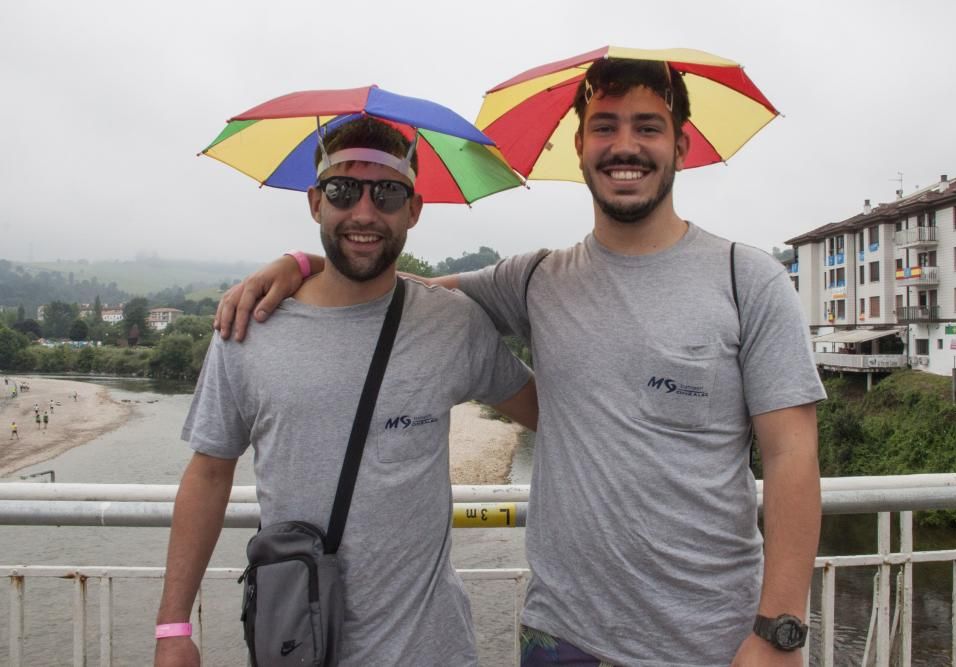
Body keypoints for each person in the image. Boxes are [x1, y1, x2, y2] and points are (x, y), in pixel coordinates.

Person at [216, 59, 825, 666]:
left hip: (713, 639)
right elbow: (387, 290)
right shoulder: (537, 279)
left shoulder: (748, 280)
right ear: (579, 147)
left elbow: (791, 456)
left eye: (648, 127)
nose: (625, 146)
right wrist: (305, 265)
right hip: (562, 635)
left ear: (681, 145)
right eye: (605, 127)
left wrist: (779, 629)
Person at [154, 117, 538, 667]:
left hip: (433, 650)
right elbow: (209, 473)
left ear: (414, 209)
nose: (363, 212)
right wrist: (172, 628)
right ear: (315, 202)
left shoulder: (451, 325)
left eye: (387, 192)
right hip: (300, 646)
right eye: (342, 190)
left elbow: (554, 415)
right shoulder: (249, 326)